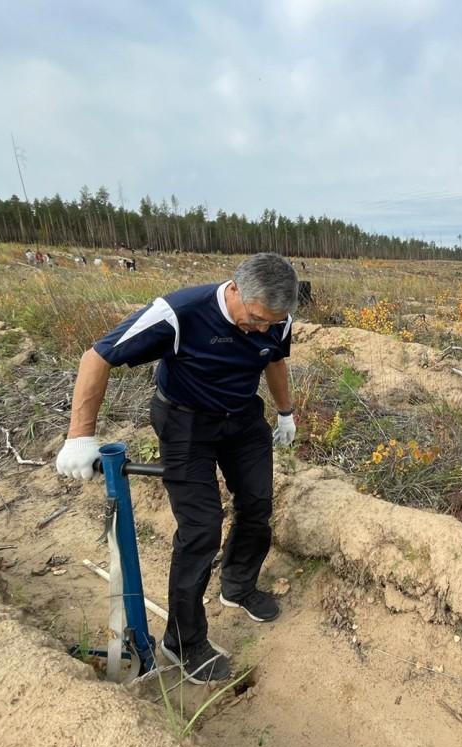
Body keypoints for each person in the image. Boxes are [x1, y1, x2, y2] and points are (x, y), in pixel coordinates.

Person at [55, 253, 299, 683]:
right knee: (202, 528)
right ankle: (183, 641)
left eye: (272, 322)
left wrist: (285, 411)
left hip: (241, 418)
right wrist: (80, 434)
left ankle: (238, 586)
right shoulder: (178, 314)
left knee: (258, 503)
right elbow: (97, 357)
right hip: (185, 421)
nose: (262, 328)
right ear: (235, 289)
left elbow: (274, 358)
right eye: (256, 318)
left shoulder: (277, 320)